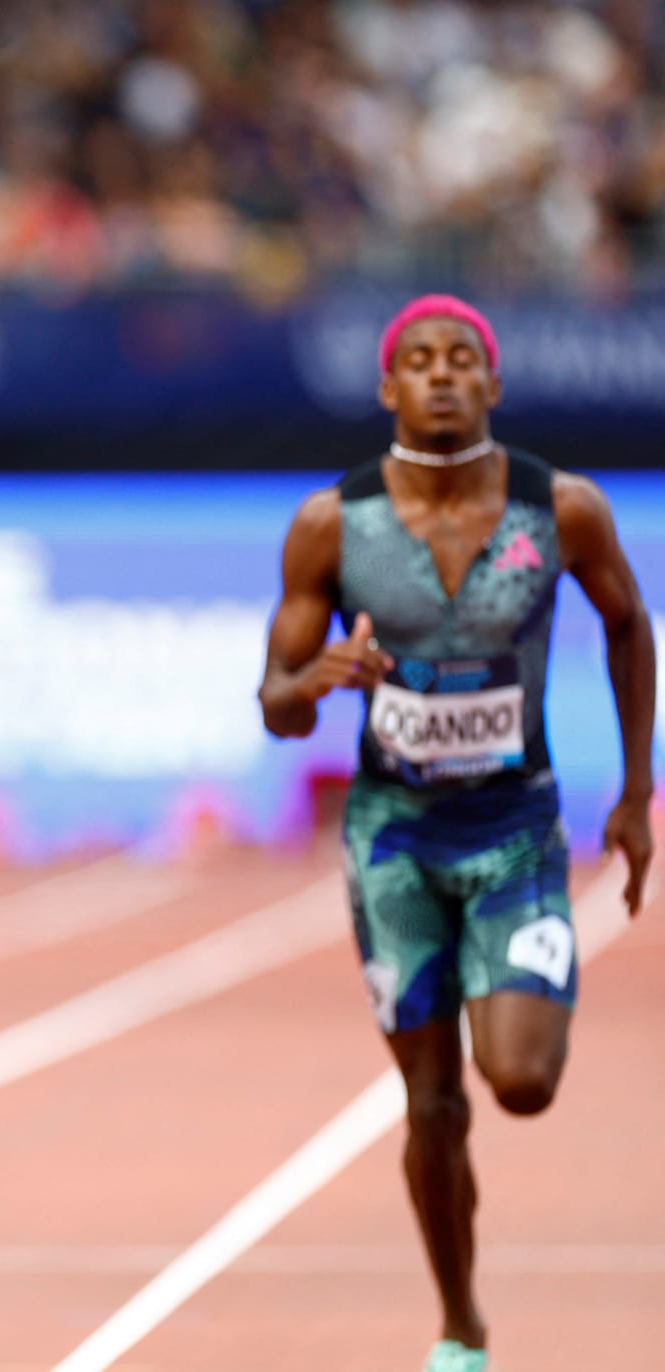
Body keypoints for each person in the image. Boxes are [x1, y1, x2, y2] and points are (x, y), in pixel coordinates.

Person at [257, 294, 653, 1372]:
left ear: (492, 382)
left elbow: (627, 622)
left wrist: (633, 790)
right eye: (417, 361)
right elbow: (275, 705)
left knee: (518, 1081)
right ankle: (459, 1326)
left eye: (461, 358)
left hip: (517, 825)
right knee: (431, 1102)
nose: (440, 374)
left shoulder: (559, 509)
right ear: (387, 387)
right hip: (391, 837)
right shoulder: (329, 524)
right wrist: (317, 678)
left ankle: (463, 1304)